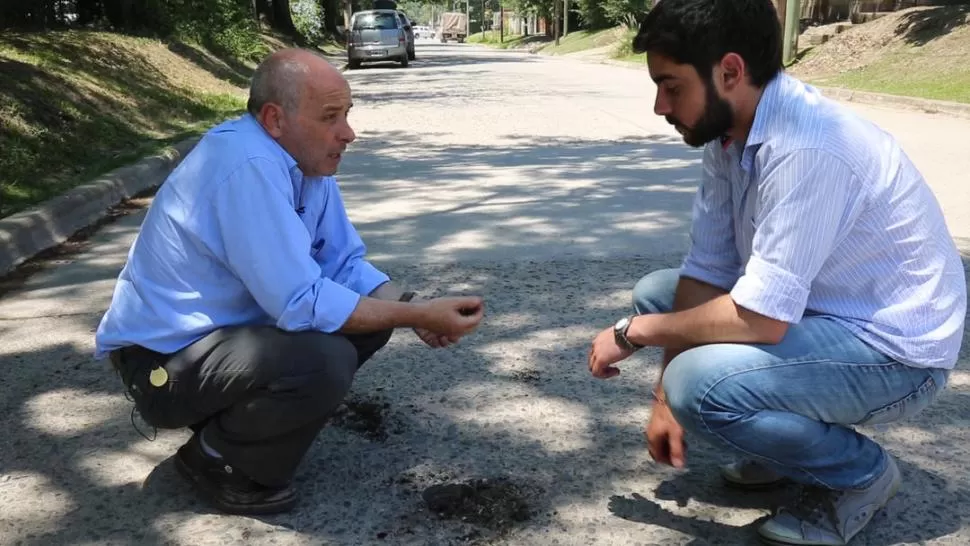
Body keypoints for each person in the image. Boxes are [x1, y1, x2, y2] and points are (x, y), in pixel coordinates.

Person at [586, 1, 966, 544]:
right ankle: (790, 452)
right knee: (659, 296)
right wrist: (661, 397)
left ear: (731, 72)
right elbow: (710, 267)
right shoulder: (729, 130)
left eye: (671, 87)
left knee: (697, 383)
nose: (658, 106)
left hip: (896, 354)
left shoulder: (808, 146)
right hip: (823, 311)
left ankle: (861, 477)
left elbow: (760, 319)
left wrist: (636, 337)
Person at [94, 48, 485, 516]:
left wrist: (417, 307)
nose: (349, 132)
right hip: (162, 365)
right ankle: (218, 460)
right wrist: (413, 315)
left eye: (347, 114)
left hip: (217, 349)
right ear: (275, 119)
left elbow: (343, 263)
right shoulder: (244, 164)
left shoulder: (305, 165)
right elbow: (301, 302)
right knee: (324, 355)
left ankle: (244, 425)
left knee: (365, 319)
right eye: (330, 117)